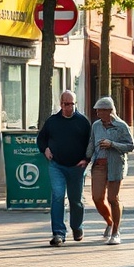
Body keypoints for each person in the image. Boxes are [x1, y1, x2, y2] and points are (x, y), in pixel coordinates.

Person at [36, 90, 93, 246]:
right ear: (61, 104)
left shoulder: (82, 122)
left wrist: (86, 159)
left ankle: (77, 226)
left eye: (72, 104)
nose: (69, 107)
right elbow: (41, 139)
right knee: (58, 195)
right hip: (57, 166)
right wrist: (45, 149)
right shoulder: (52, 121)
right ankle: (58, 233)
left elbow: (91, 143)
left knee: (76, 200)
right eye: (66, 104)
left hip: (77, 167)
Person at [87, 96, 134, 245]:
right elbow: (91, 144)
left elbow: (130, 146)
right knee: (97, 197)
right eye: (97, 110)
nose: (98, 113)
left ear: (109, 111)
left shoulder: (121, 126)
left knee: (113, 199)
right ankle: (109, 221)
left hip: (115, 165)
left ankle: (116, 231)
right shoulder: (96, 126)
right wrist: (85, 159)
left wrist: (112, 144)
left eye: (101, 110)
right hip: (99, 166)